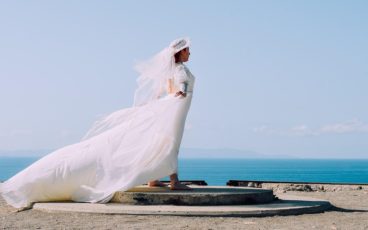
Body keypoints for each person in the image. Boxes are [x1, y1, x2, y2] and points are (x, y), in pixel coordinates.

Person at [0, 37, 195, 209]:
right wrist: (180, 94)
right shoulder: (181, 70)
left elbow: (162, 92)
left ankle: (154, 178)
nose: (190, 53)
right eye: (188, 50)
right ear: (180, 52)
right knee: (170, 141)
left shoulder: (170, 70)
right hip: (174, 109)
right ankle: (173, 180)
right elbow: (182, 88)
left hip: (168, 108)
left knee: (158, 140)